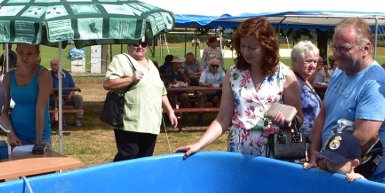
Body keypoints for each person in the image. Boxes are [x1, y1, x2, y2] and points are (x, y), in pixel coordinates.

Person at [176, 17, 302, 158]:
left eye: (252, 47)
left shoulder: (286, 75)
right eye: (243, 46)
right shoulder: (232, 74)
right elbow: (223, 118)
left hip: (273, 151)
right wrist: (199, 144)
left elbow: (299, 118)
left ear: (267, 46)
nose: (246, 52)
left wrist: (288, 120)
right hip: (238, 150)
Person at [308, 18, 385, 183]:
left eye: (344, 48)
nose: (337, 54)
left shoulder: (376, 84)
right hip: (334, 163)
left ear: (366, 48)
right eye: (335, 48)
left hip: (363, 171)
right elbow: (324, 112)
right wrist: (314, 150)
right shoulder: (341, 70)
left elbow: (363, 138)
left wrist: (324, 162)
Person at [103, 39, 178, 161]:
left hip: (151, 122)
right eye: (136, 44)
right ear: (128, 45)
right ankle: (116, 179)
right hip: (130, 121)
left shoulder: (151, 65)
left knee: (145, 160)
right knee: (128, 156)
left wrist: (170, 111)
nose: (139, 47)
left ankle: (139, 180)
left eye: (143, 44)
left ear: (147, 47)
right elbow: (107, 84)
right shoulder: (121, 59)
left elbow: (161, 91)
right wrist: (130, 79)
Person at [1, 43, 53, 147]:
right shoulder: (8, 77)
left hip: (40, 137)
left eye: (29, 54)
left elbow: (40, 110)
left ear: (37, 54)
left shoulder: (43, 74)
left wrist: (39, 142)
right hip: (17, 137)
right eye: (21, 53)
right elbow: (3, 111)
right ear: (16, 52)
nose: (25, 57)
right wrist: (11, 134)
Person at [290, 40, 323, 138]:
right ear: (295, 60)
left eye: (315, 61)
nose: (313, 65)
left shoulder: (304, 80)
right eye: (308, 61)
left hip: (311, 140)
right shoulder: (291, 82)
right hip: (299, 142)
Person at [50, 58, 84, 127]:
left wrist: (70, 95)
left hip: (68, 95)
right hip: (55, 97)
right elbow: (48, 90)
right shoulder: (48, 75)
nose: (53, 66)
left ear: (60, 65)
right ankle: (61, 121)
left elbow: (73, 87)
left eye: (55, 65)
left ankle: (78, 119)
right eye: (52, 65)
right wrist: (57, 95)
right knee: (60, 101)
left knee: (78, 98)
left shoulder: (66, 74)